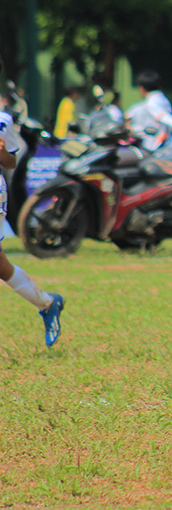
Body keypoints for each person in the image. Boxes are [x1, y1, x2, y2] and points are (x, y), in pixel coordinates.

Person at [0, 109, 64, 346]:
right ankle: (48, 303)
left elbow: (11, 162)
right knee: (2, 267)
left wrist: (3, 152)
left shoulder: (3, 120)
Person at [125, 70, 172, 151]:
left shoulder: (152, 102)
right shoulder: (163, 100)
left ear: (141, 88)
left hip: (157, 146)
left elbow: (164, 117)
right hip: (169, 144)